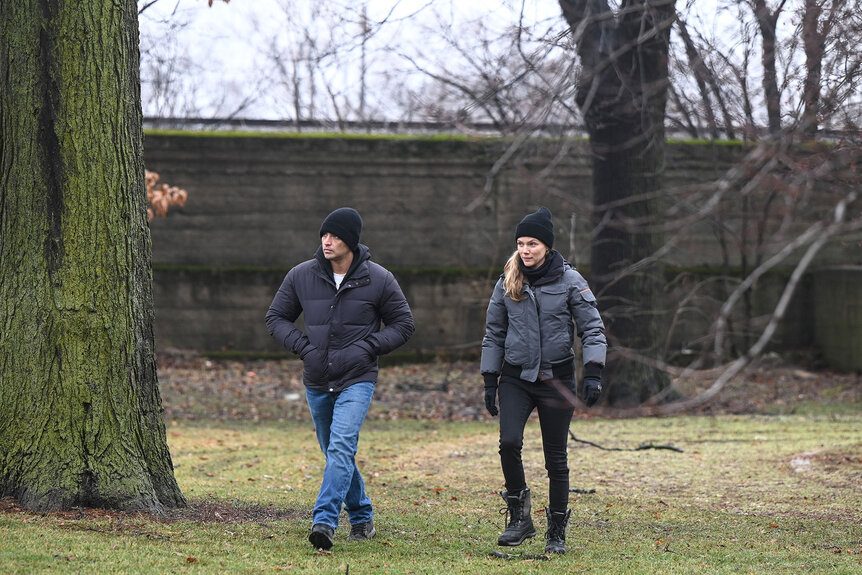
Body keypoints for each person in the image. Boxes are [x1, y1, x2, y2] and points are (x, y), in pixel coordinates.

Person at [265, 207, 415, 551]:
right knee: (334, 452)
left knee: (341, 446)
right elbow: (276, 318)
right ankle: (362, 515)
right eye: (324, 235)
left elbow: (403, 325)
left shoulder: (379, 278)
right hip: (316, 378)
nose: (326, 241)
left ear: (351, 241)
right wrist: (304, 347)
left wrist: (367, 348)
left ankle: (325, 521)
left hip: (357, 378)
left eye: (334, 236)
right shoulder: (301, 275)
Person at [480, 206, 607, 555]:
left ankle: (557, 532)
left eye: (532, 243)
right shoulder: (507, 282)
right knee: (508, 443)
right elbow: (493, 333)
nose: (525, 250)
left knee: (556, 459)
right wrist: (490, 380)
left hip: (557, 379)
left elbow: (593, 330)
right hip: (516, 377)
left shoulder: (571, 281)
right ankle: (520, 519)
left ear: (547, 247)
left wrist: (593, 373)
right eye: (520, 243)